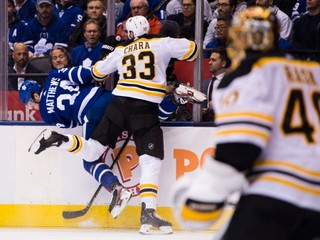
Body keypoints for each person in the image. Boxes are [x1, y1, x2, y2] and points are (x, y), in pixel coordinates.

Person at [28, 16, 203, 234]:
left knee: (92, 151)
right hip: (144, 108)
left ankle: (61, 140)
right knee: (150, 161)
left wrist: (112, 50)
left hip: (117, 104)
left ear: (130, 33)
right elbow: (194, 50)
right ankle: (148, 212)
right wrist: (165, 45)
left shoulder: (122, 50)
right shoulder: (162, 43)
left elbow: (97, 72)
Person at [172, 6, 320, 240]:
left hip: (277, 197)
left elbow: (240, 149)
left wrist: (204, 197)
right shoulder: (314, 71)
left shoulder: (248, 75)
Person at [202, 47, 230, 121]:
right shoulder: (204, 83)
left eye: (213, 60)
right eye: (210, 60)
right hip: (204, 125)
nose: (209, 62)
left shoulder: (231, 82)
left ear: (223, 63)